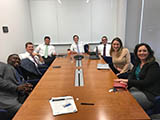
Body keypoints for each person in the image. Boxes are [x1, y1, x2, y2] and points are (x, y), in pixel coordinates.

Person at [114, 43, 160, 111]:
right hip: (138, 89)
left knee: (124, 99)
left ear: (149, 52)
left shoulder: (153, 65)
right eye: (139, 51)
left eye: (144, 51)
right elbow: (131, 76)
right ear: (136, 53)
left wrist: (127, 81)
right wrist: (125, 85)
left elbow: (146, 82)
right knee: (119, 93)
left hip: (149, 94)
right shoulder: (138, 63)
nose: (142, 53)